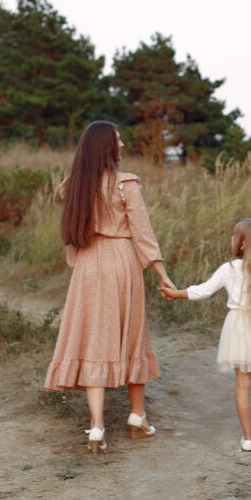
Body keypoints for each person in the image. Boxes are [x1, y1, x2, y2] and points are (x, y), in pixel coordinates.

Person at [44, 121, 174, 455]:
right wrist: (161, 272)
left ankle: (97, 427)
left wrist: (78, 255)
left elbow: (72, 231)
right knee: (132, 334)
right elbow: (142, 231)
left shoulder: (71, 186)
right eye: (118, 140)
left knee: (93, 338)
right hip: (121, 260)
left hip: (88, 264)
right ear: (106, 147)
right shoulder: (125, 184)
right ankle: (137, 415)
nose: (123, 144)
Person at [161, 218, 251, 451]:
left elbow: (203, 291)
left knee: (243, 382)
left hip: (238, 325)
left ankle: (248, 438)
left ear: (241, 245)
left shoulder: (229, 269)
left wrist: (176, 293)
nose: (231, 239)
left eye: (234, 236)